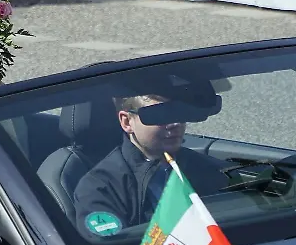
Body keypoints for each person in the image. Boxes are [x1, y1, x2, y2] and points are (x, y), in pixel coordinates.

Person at [72, 94, 229, 234]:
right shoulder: (99, 187)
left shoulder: (208, 169)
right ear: (127, 122)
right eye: (160, 115)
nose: (175, 123)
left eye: (180, 112)